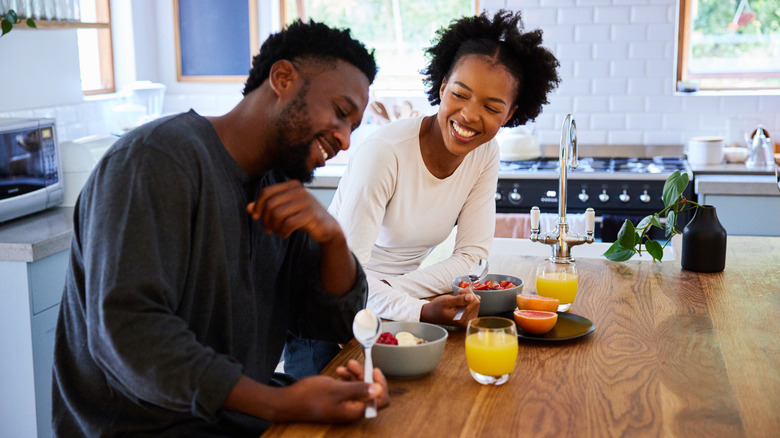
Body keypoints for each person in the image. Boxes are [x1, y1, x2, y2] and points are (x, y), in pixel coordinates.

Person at [52, 20, 389, 437]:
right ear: (283, 78)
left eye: (354, 127)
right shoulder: (155, 160)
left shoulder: (278, 185)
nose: (345, 139)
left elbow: (334, 323)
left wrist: (333, 237)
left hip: (230, 419)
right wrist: (278, 402)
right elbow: (131, 335)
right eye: (341, 112)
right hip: (141, 427)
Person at [284, 10, 560, 378]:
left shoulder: (484, 154)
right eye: (460, 94)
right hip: (321, 315)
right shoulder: (385, 152)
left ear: (509, 114)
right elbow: (346, 282)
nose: (469, 116)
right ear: (443, 86)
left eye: (492, 108)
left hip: (388, 308)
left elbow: (474, 256)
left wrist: (395, 293)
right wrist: (417, 308)